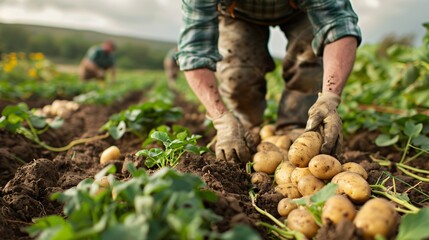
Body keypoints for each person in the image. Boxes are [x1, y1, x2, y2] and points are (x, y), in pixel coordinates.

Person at [176, 0, 361, 163]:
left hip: (300, 10)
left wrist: (330, 97)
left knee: (308, 63)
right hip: (237, 12)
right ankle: (244, 129)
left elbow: (339, 26)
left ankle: (297, 128)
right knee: (238, 76)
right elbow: (194, 52)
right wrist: (221, 119)